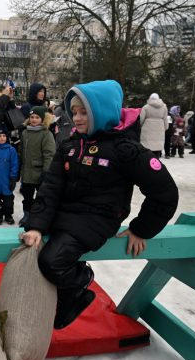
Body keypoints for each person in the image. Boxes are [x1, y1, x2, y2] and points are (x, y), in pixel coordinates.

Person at [21, 80, 179, 330]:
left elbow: (165, 192)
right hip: (66, 214)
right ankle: (68, 299)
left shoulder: (125, 149)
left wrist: (142, 229)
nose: (77, 118)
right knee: (31, 254)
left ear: (102, 112)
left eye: (84, 112)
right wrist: (37, 225)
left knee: (52, 261)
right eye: (74, 112)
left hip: (97, 219)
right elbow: (51, 187)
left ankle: (81, 279)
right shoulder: (71, 145)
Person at [18, 106, 56, 226]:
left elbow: (49, 154)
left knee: (42, 197)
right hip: (27, 173)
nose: (34, 120)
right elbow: (21, 151)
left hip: (40, 172)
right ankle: (27, 214)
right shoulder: (25, 132)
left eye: (37, 117)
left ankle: (40, 217)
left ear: (43, 119)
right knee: (27, 196)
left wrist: (46, 171)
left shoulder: (46, 134)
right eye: (32, 117)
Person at [139, 93, 168, 158]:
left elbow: (141, 119)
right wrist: (166, 127)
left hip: (147, 127)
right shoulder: (164, 107)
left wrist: (139, 126)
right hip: (160, 127)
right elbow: (165, 118)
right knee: (157, 147)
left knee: (147, 146)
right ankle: (156, 162)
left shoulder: (146, 107)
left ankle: (147, 161)